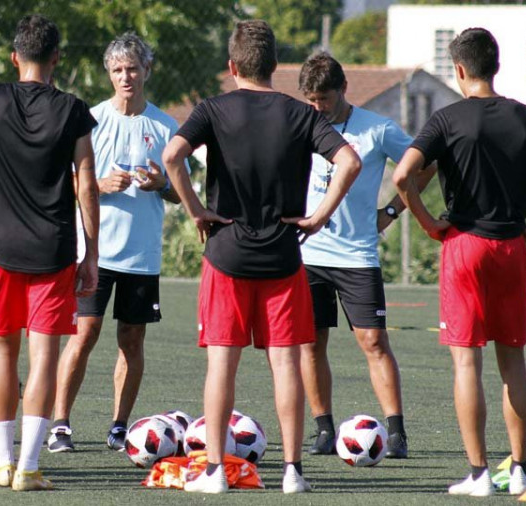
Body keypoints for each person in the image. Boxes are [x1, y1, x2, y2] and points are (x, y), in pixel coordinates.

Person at [162, 20, 361, 494]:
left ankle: (215, 472)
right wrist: (317, 217)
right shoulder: (300, 114)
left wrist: (197, 211)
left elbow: (172, 156)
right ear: (275, 66)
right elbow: (349, 161)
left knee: (221, 365)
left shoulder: (212, 109)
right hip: (282, 257)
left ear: (232, 67)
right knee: (286, 363)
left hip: (226, 254)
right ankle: (293, 471)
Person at [392, 28, 526, 497]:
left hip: (464, 244)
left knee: (466, 363)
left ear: (459, 70)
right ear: (494, 66)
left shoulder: (446, 118)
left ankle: (479, 474)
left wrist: (426, 223)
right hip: (510, 249)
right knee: (512, 361)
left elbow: (403, 176)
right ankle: (518, 468)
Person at [0, 14, 99, 491]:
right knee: (43, 358)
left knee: (2, 353)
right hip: (53, 248)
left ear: (14, 56)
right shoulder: (74, 110)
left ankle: (1, 464)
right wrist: (92, 255)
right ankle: (30, 468)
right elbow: (87, 184)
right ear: (56, 57)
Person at [297, 52, 437, 457]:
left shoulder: (377, 128)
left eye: (323, 98)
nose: (316, 107)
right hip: (307, 254)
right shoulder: (301, 123)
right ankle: (323, 429)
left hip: (357, 255)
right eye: (310, 99)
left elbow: (423, 166)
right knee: (310, 342)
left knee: (373, 340)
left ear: (343, 90)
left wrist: (392, 210)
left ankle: (396, 432)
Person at [48, 33, 182, 453]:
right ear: (109, 73)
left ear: (147, 71)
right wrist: (97, 184)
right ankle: (60, 425)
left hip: (142, 256)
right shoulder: (89, 119)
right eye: (118, 70)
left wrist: (163, 184)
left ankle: (119, 426)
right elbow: (60, 182)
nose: (126, 77)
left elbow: (182, 192)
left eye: (133, 68)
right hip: (94, 250)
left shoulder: (165, 125)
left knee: (132, 339)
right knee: (83, 334)